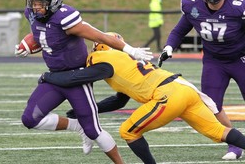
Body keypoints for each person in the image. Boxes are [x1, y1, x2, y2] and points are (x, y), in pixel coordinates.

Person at [38, 32, 245, 164]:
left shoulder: (104, 59)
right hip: (183, 88)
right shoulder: (124, 59)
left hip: (167, 95)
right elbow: (120, 100)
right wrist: (93, 109)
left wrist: (49, 76)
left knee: (128, 131)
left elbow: (76, 77)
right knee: (219, 131)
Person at [15, 0, 153, 164]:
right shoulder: (32, 14)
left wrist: (131, 50)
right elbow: (42, 35)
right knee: (30, 118)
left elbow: (100, 36)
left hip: (77, 77)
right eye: (34, 2)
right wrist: (27, 45)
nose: (36, 7)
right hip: (55, 78)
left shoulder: (65, 18)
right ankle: (75, 125)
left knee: (93, 130)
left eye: (41, 3)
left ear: (54, 2)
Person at [157, 0, 245, 160]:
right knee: (211, 105)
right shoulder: (192, 4)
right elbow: (180, 30)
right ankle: (235, 145)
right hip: (214, 61)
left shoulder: (239, 5)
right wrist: (169, 47)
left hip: (241, 59)